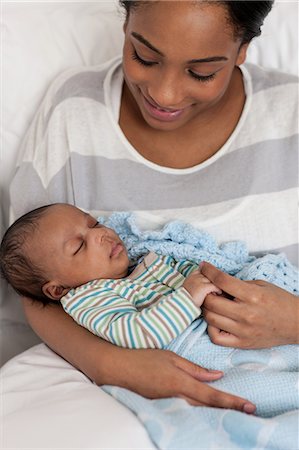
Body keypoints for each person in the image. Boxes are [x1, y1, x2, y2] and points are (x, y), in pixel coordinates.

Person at [9, 0, 298, 411]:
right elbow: (34, 283)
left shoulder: (293, 114)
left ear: (243, 49)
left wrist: (294, 322)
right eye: (144, 56)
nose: (164, 94)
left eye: (202, 72)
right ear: (126, 23)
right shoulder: (76, 111)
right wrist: (113, 364)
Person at [0, 203, 223, 349]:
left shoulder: (141, 263)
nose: (100, 234)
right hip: (188, 350)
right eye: (79, 246)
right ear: (59, 289)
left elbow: (187, 271)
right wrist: (189, 296)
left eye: (94, 224)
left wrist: (209, 281)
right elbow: (139, 334)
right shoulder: (89, 299)